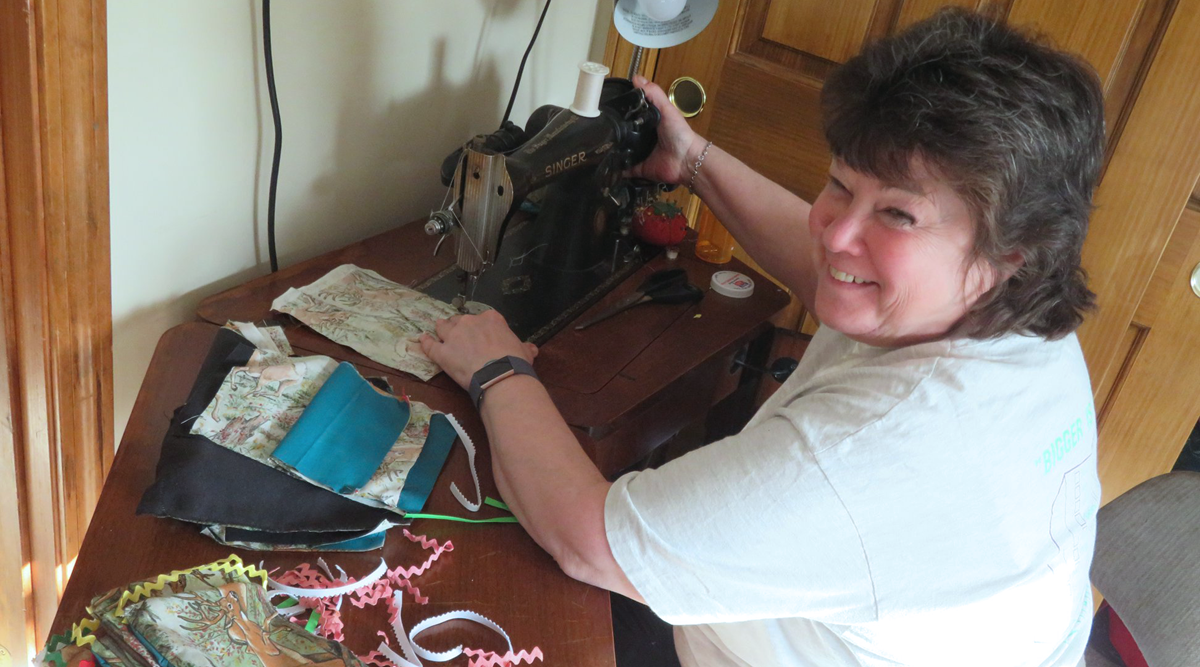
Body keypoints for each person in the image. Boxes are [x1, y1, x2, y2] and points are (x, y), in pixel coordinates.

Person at [419, 8, 1104, 667]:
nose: (834, 231)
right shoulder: (1019, 318)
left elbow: (589, 540)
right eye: (840, 184)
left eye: (897, 213)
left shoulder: (875, 451)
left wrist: (499, 369)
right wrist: (691, 161)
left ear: (1012, 250)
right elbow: (828, 269)